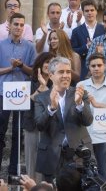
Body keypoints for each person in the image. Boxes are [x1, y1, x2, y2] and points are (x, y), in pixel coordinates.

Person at [34, 56, 93, 182]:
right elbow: (39, 125)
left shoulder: (81, 93)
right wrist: (51, 108)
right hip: (52, 155)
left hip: (78, 154)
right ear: (51, 75)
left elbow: (88, 121)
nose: (66, 75)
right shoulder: (41, 98)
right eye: (61, 72)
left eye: (68, 71)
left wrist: (79, 104)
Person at [0, 13, 36, 181]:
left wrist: (21, 65)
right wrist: (10, 68)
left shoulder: (30, 47)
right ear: (10, 25)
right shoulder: (0, 45)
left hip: (21, 93)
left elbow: (33, 72)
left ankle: (13, 172)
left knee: (17, 131)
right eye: (16, 24)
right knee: (0, 131)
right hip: (3, 92)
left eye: (22, 25)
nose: (19, 27)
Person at [79, 53, 106, 181]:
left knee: (105, 175)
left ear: (105, 66)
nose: (96, 68)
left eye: (99, 65)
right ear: (89, 67)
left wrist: (97, 105)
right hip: (85, 136)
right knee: (87, 176)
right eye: (93, 66)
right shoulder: (81, 85)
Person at [24, 52, 54, 182]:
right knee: (31, 160)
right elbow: (26, 101)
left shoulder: (56, 82)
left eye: (52, 63)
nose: (48, 65)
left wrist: (46, 87)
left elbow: (54, 100)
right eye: (46, 62)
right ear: (40, 64)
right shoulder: (30, 81)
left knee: (47, 160)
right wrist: (41, 87)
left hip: (50, 126)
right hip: (32, 125)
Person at [71, 0, 105, 80]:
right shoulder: (76, 31)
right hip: (84, 71)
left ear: (96, 11)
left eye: (92, 10)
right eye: (87, 11)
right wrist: (86, 47)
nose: (89, 13)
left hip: (102, 70)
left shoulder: (104, 29)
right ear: (83, 12)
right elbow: (73, 51)